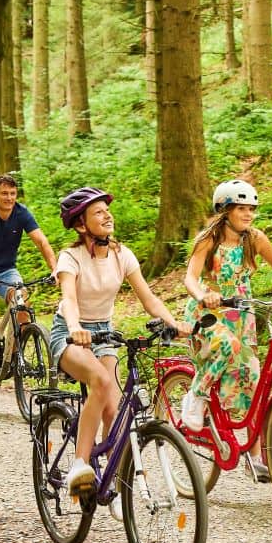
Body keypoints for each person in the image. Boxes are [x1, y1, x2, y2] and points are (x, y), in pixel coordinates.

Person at [49, 186, 187, 501]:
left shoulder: (121, 254)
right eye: (98, 212)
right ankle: (80, 466)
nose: (107, 215)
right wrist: (74, 327)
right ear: (81, 224)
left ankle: (108, 478)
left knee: (114, 407)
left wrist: (173, 323)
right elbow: (69, 299)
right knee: (99, 380)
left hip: (105, 333)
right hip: (70, 333)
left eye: (107, 210)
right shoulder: (71, 257)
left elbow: (148, 297)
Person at [178, 181, 272, 454]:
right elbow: (190, 277)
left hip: (241, 313)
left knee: (253, 378)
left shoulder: (255, 238)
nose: (248, 214)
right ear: (225, 210)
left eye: (251, 209)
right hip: (209, 313)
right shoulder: (209, 239)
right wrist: (203, 295)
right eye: (241, 208)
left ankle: (255, 455)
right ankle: (197, 397)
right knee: (228, 346)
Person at [0, 172, 58, 393]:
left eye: (13, 193)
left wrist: (55, 269)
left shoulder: (22, 213)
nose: (9, 198)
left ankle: (14, 355)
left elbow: (42, 242)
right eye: (4, 193)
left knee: (22, 307)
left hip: (6, 271)